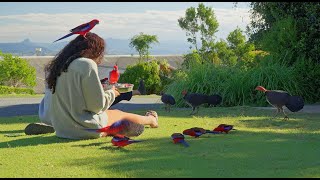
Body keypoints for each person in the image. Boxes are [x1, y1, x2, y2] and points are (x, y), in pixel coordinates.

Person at [24, 32, 158, 139]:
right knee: (118, 114)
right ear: (96, 50)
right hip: (83, 128)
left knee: (113, 118)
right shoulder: (86, 64)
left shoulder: (58, 65)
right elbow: (96, 106)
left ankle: (119, 129)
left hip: (60, 127)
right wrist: (112, 92)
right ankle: (151, 120)